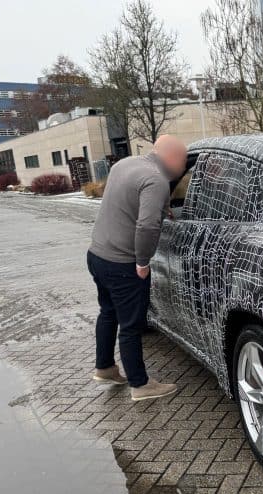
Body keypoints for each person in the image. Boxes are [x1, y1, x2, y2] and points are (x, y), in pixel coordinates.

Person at [87, 135, 187, 401]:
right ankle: (140, 385)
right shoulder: (156, 180)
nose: (183, 165)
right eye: (183, 159)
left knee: (108, 313)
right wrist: (143, 261)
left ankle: (105, 368)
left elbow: (129, 200)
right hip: (123, 263)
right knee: (131, 325)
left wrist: (164, 204)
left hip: (97, 255)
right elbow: (147, 226)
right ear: (173, 158)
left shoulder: (125, 164)